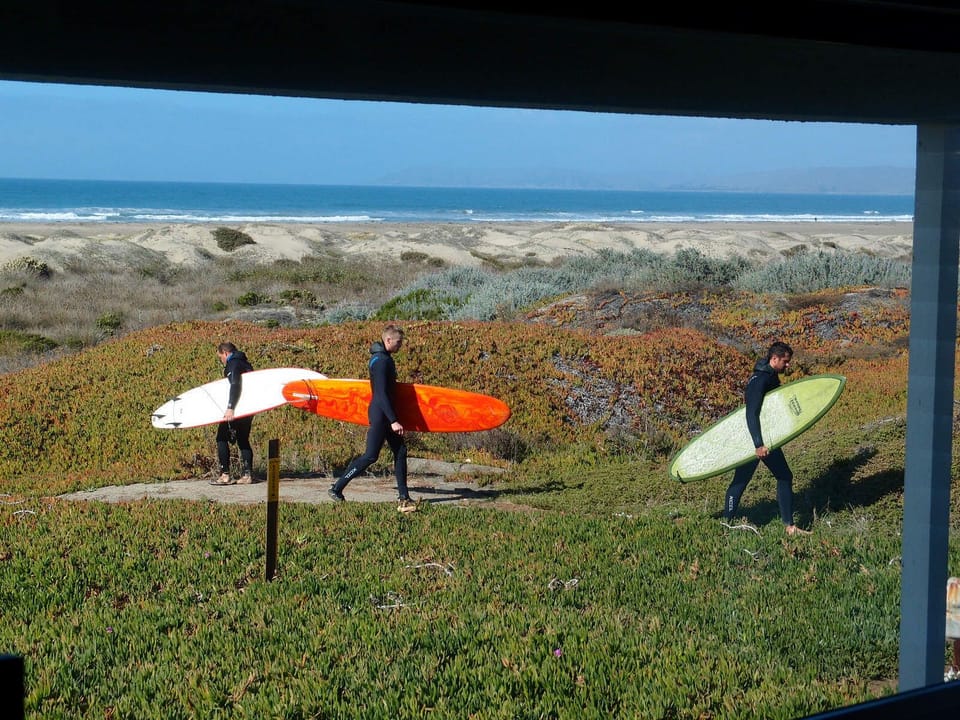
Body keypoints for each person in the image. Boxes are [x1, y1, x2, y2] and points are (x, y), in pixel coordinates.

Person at [722, 341, 809, 535]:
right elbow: (751, 413)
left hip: (763, 436)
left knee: (753, 479)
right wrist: (758, 444)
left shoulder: (769, 375)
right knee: (749, 480)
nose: (788, 365)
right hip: (756, 438)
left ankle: (726, 526)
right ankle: (727, 525)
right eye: (785, 361)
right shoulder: (760, 379)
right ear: (774, 359)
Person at [328, 324, 417, 513]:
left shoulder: (381, 358)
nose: (400, 346)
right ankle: (336, 488)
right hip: (381, 413)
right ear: (388, 340)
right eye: (398, 342)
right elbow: (381, 395)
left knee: (400, 451)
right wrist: (393, 419)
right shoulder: (381, 361)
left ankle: (404, 496)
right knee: (370, 456)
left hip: (384, 412)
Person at [209, 342, 255, 486]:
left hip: (237, 408)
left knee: (221, 438)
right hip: (249, 408)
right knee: (242, 439)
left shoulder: (233, 364)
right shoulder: (245, 363)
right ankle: (247, 476)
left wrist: (230, 407)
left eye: (220, 357)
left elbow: (235, 384)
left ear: (225, 353)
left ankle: (225, 475)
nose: (221, 360)